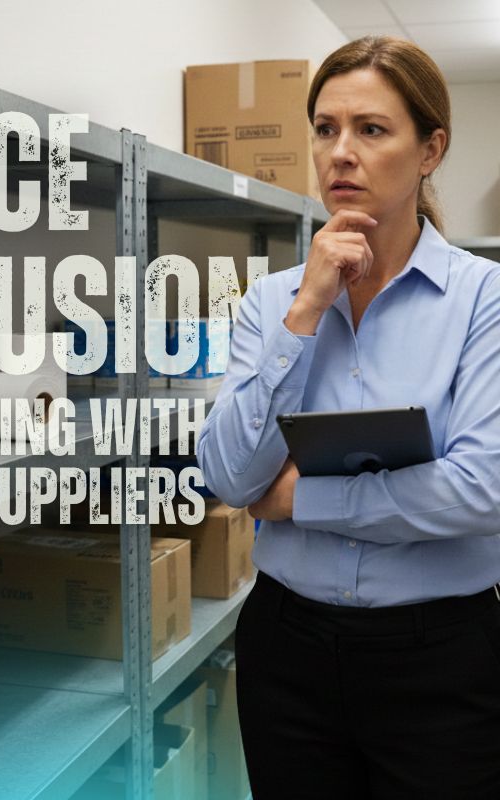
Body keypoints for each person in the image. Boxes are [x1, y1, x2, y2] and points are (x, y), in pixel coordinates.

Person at [197, 35, 500, 800]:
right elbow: (231, 476)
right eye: (326, 129)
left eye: (371, 129)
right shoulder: (273, 301)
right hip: (287, 649)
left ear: (430, 149)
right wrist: (307, 309)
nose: (341, 153)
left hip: (442, 658)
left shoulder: (483, 301)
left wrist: (302, 500)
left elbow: (482, 487)